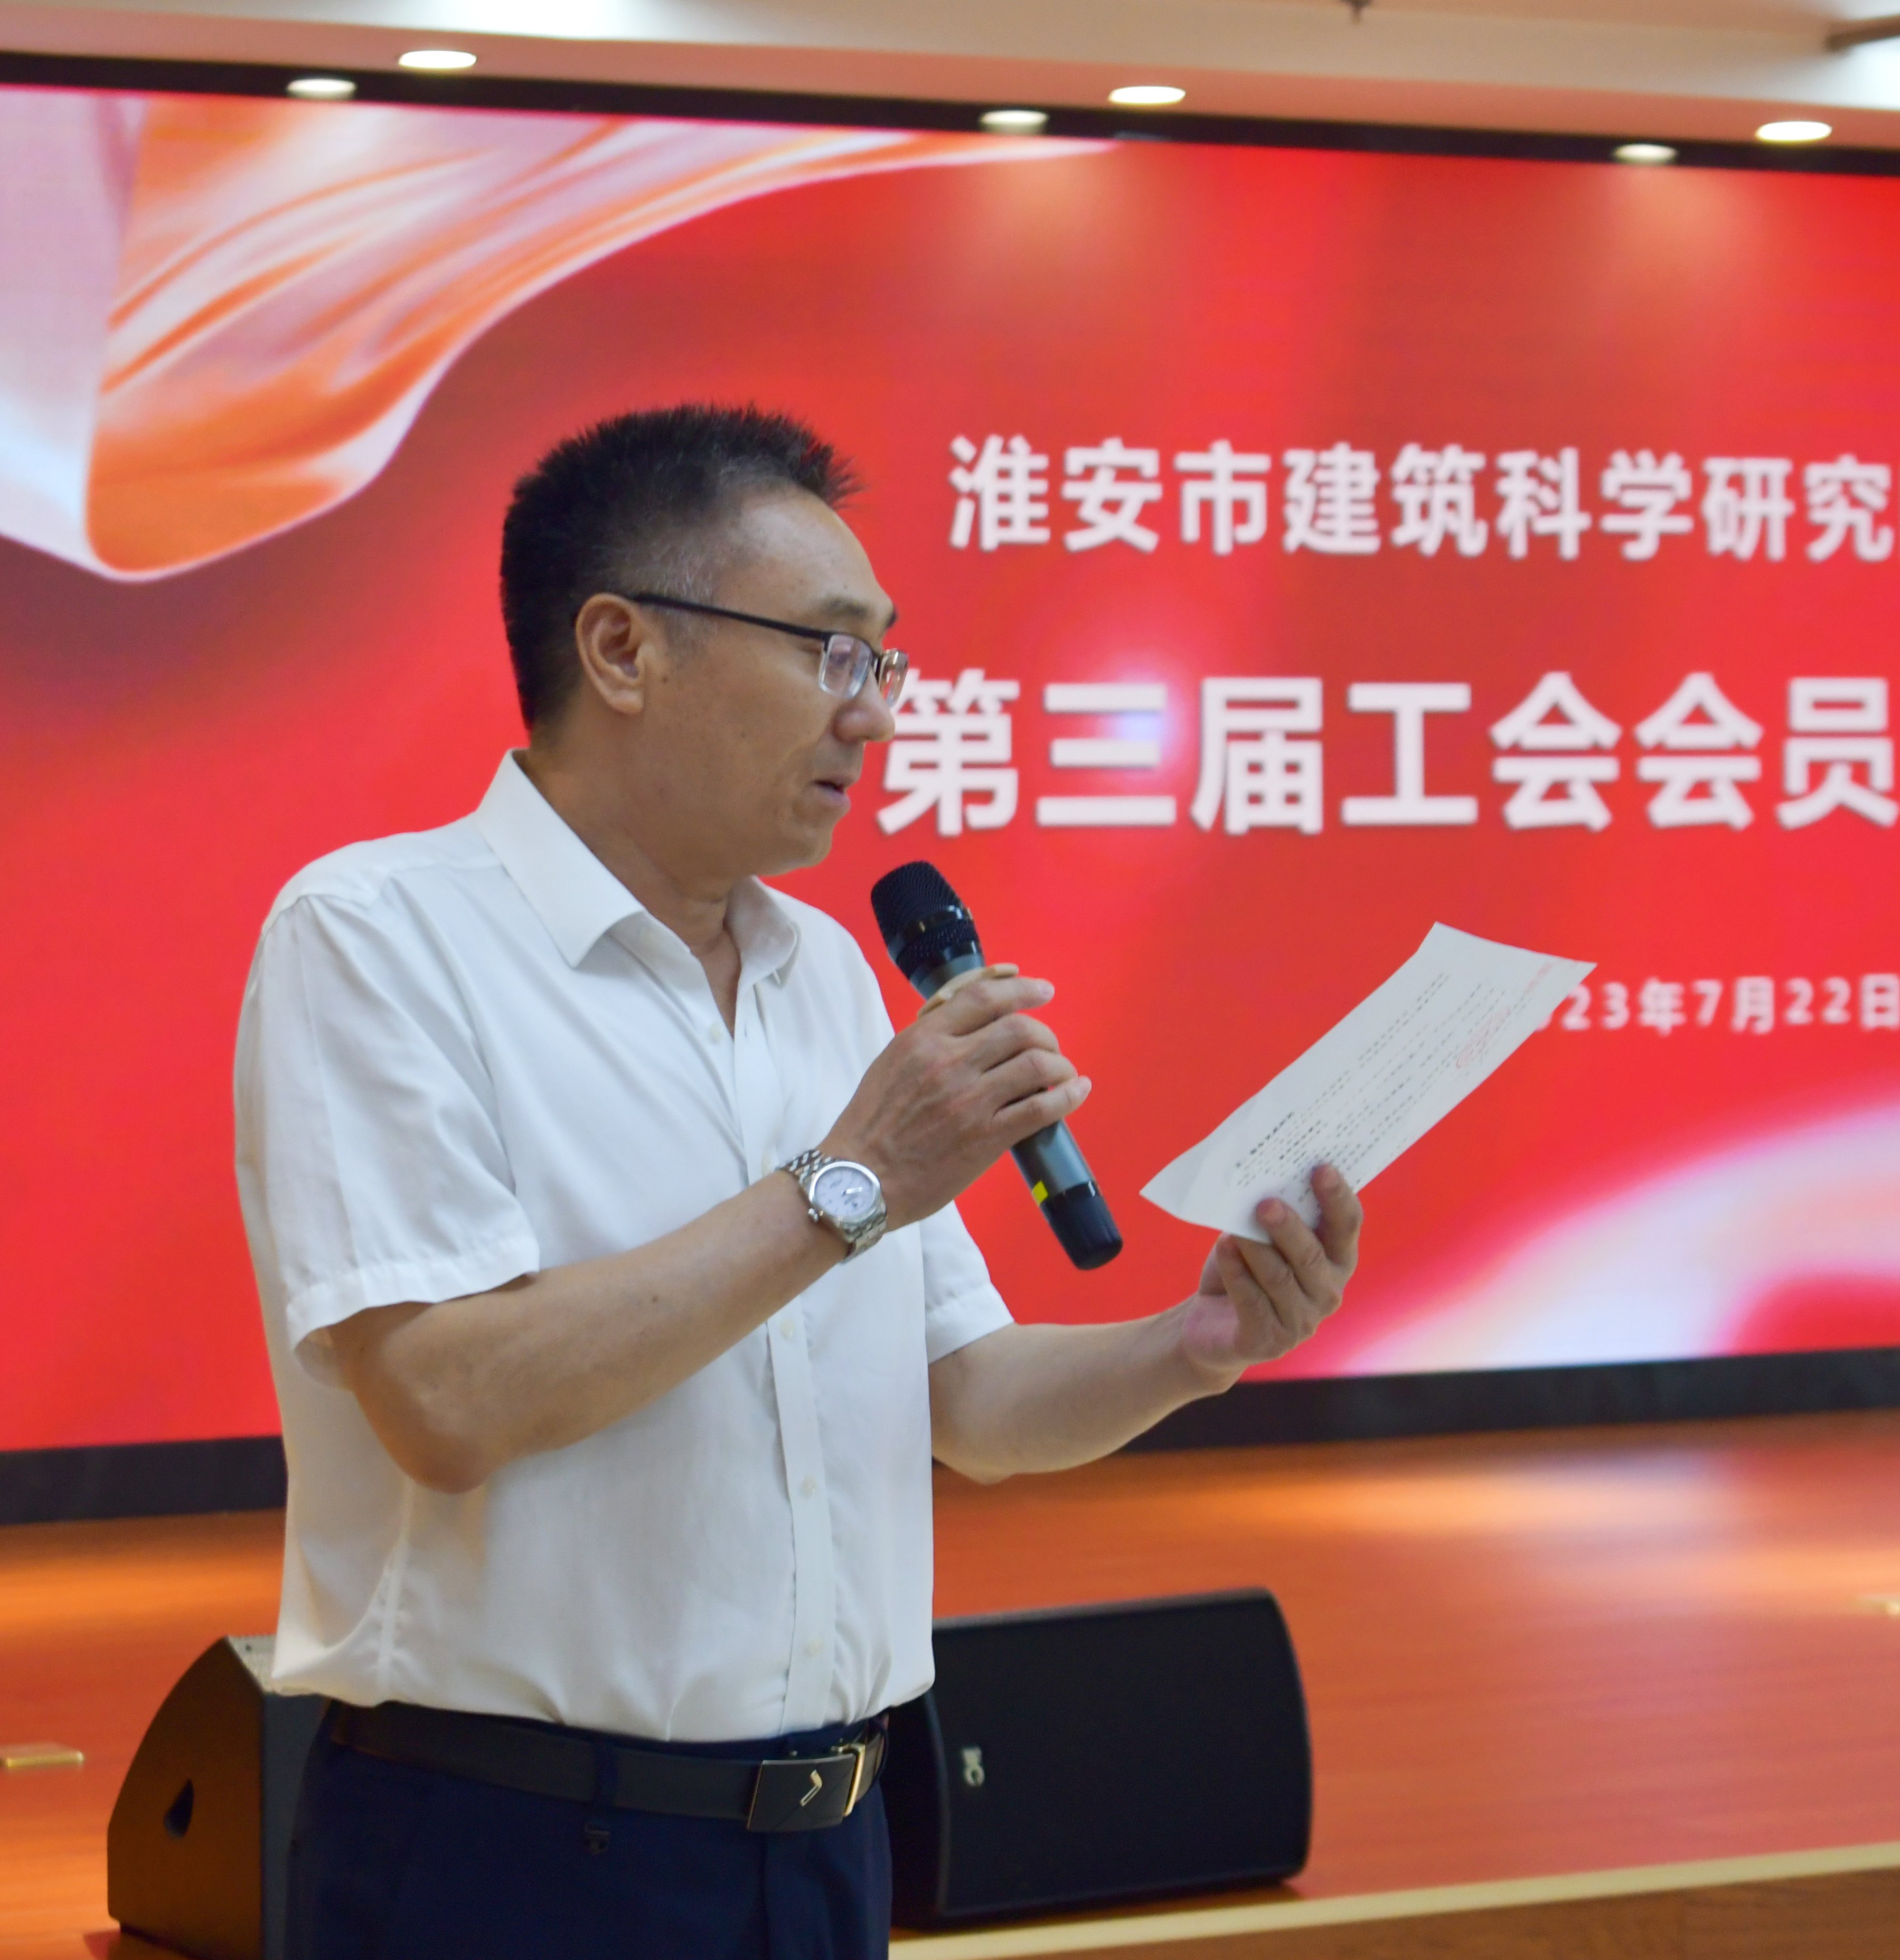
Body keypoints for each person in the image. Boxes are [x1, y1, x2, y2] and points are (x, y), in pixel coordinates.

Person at [234, 403, 1361, 1960]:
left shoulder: (820, 968)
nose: (875, 716)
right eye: (833, 653)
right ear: (624, 649)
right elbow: (447, 1399)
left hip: (832, 1851)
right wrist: (854, 1177)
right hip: (513, 1853)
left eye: (887, 662)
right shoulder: (378, 934)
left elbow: (969, 1398)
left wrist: (1200, 1345)